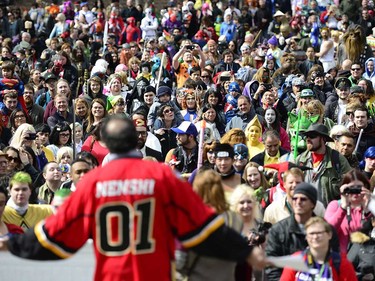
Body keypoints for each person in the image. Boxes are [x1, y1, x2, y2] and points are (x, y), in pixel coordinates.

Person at [1, 115, 268, 281]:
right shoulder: (162, 177)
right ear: (136, 139)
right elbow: (204, 226)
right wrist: (245, 251)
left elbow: (53, 236)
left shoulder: (92, 184)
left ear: (104, 142)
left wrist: (11, 244)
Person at [265, 182, 340, 281]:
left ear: (313, 204)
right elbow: (271, 266)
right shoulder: (277, 230)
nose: (298, 202)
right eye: (295, 198)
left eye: (303, 199)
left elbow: (335, 262)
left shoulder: (326, 230)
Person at [280, 217, 357, 281]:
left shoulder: (341, 264)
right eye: (311, 233)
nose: (315, 237)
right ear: (306, 237)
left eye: (319, 233)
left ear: (329, 235)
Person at [296, 123, 352, 207]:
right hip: (305, 214)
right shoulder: (300, 160)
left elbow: (351, 185)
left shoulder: (338, 160)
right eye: (306, 136)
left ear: (323, 139)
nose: (308, 139)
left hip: (328, 215)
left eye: (312, 136)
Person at [325, 170, 373, 253]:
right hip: (340, 258)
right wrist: (343, 207)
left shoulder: (372, 207)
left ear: (366, 188)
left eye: (359, 188)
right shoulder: (335, 206)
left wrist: (367, 209)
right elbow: (328, 231)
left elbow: (370, 232)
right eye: (351, 188)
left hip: (365, 259)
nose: (355, 192)